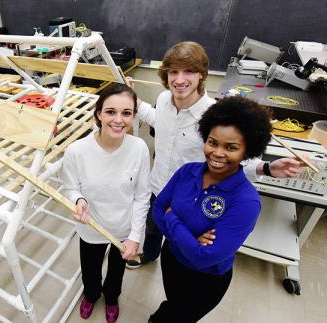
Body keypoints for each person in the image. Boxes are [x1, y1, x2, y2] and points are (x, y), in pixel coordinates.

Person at [126, 41, 303, 269]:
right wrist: (133, 99)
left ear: (201, 75)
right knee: (153, 226)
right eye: (173, 72)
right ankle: (150, 255)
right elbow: (155, 118)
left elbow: (232, 156)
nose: (179, 80)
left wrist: (266, 168)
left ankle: (178, 267)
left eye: (189, 71)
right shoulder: (163, 100)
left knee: (182, 239)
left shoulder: (214, 115)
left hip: (190, 195)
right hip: (158, 183)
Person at [148, 96, 274, 322]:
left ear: (247, 151)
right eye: (213, 142)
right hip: (172, 261)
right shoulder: (187, 172)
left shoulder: (246, 201)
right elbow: (157, 210)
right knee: (172, 304)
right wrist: (191, 238)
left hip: (205, 280)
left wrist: (173, 219)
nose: (217, 153)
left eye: (231, 147)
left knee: (179, 317)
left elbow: (204, 258)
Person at [62, 83, 150, 322]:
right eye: (111, 112)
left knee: (117, 271)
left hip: (123, 228)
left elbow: (142, 196)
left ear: (134, 116)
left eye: (126, 113)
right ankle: (90, 295)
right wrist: (78, 200)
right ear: (99, 113)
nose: (119, 120)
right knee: (90, 270)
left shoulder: (139, 148)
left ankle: (112, 298)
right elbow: (70, 188)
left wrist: (134, 236)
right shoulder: (76, 151)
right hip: (91, 227)